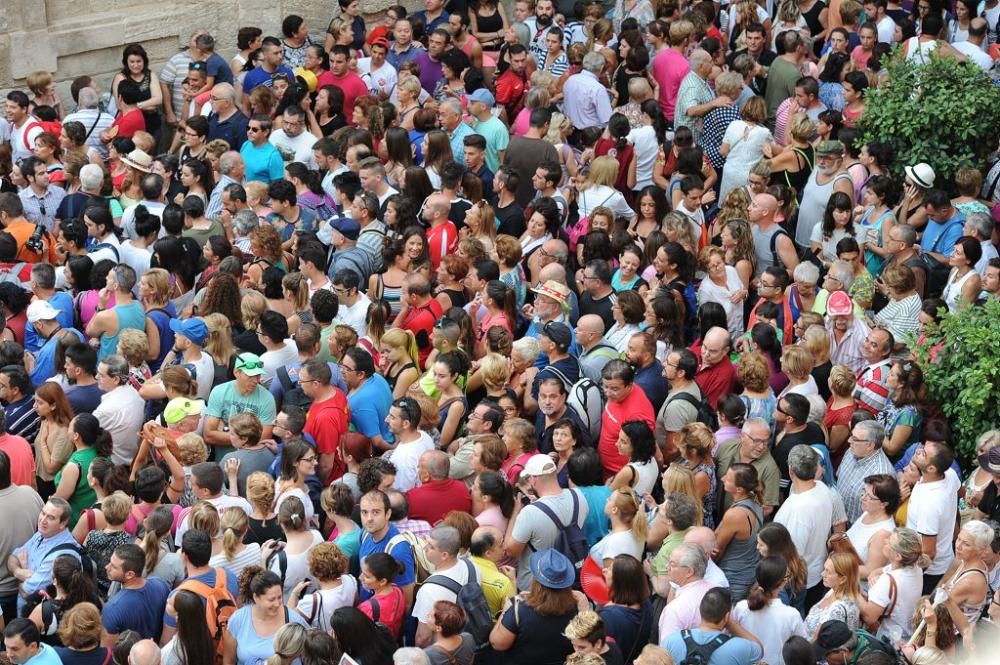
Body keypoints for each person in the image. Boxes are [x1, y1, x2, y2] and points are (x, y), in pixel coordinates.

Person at [505, 454, 588, 591]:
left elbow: (510, 550)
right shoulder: (579, 496)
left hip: (536, 585)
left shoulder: (530, 513)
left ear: (533, 479)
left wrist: (516, 512)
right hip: (570, 577)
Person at [488, 549, 578, 665]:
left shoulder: (519, 610)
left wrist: (506, 610)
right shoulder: (576, 609)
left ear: (537, 581)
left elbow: (497, 643)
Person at [774, 446, 834, 595]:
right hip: (814, 572)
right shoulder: (821, 488)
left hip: (798, 582)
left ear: (791, 471)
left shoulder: (798, 510)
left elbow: (793, 553)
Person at [663, 588, 763, 664]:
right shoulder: (739, 647)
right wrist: (729, 623)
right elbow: (759, 649)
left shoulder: (671, 640)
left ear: (701, 611)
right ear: (727, 616)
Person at [102, 544, 170, 643]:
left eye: (114, 567)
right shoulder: (160, 584)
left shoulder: (112, 608)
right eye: (110, 562)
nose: (107, 567)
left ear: (130, 574)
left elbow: (109, 651)